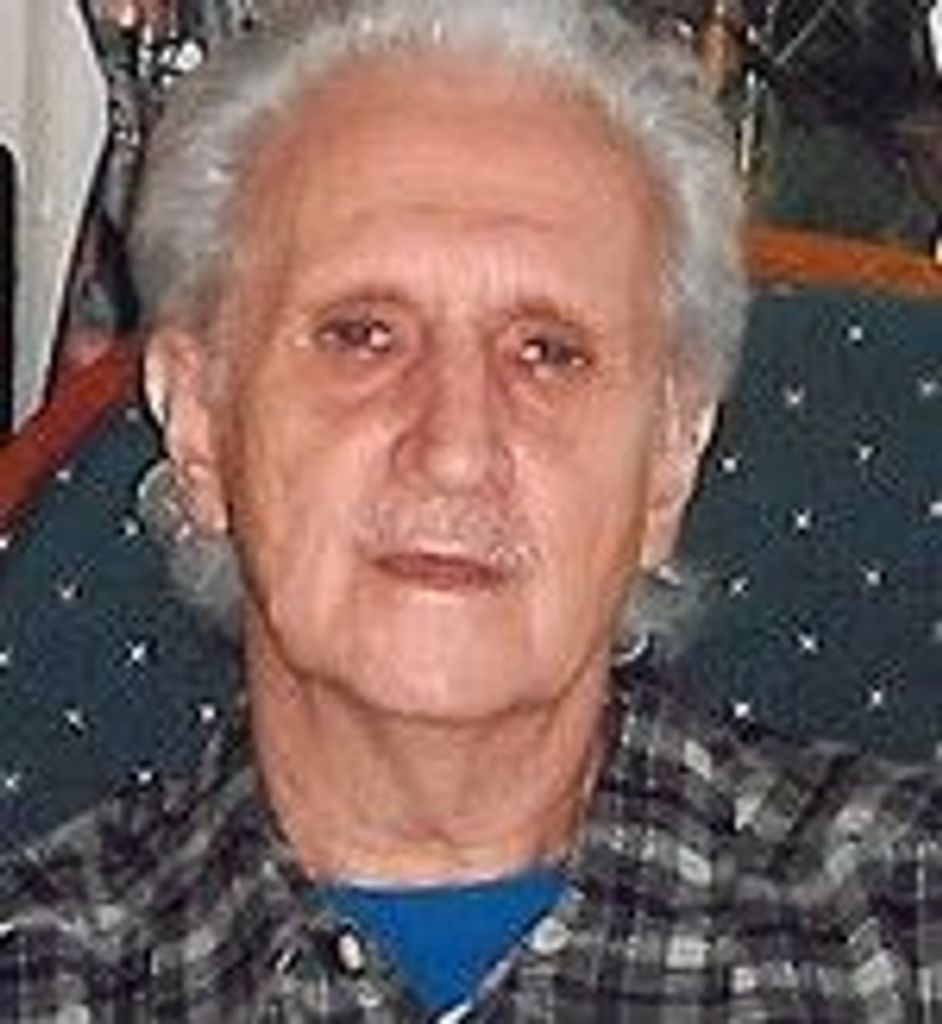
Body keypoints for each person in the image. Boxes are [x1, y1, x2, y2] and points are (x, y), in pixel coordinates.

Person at [2, 1, 940, 1019]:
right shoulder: (41, 973)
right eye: (362, 335)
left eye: (548, 352)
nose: (454, 450)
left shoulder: (905, 932)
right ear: (199, 422)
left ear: (669, 456)